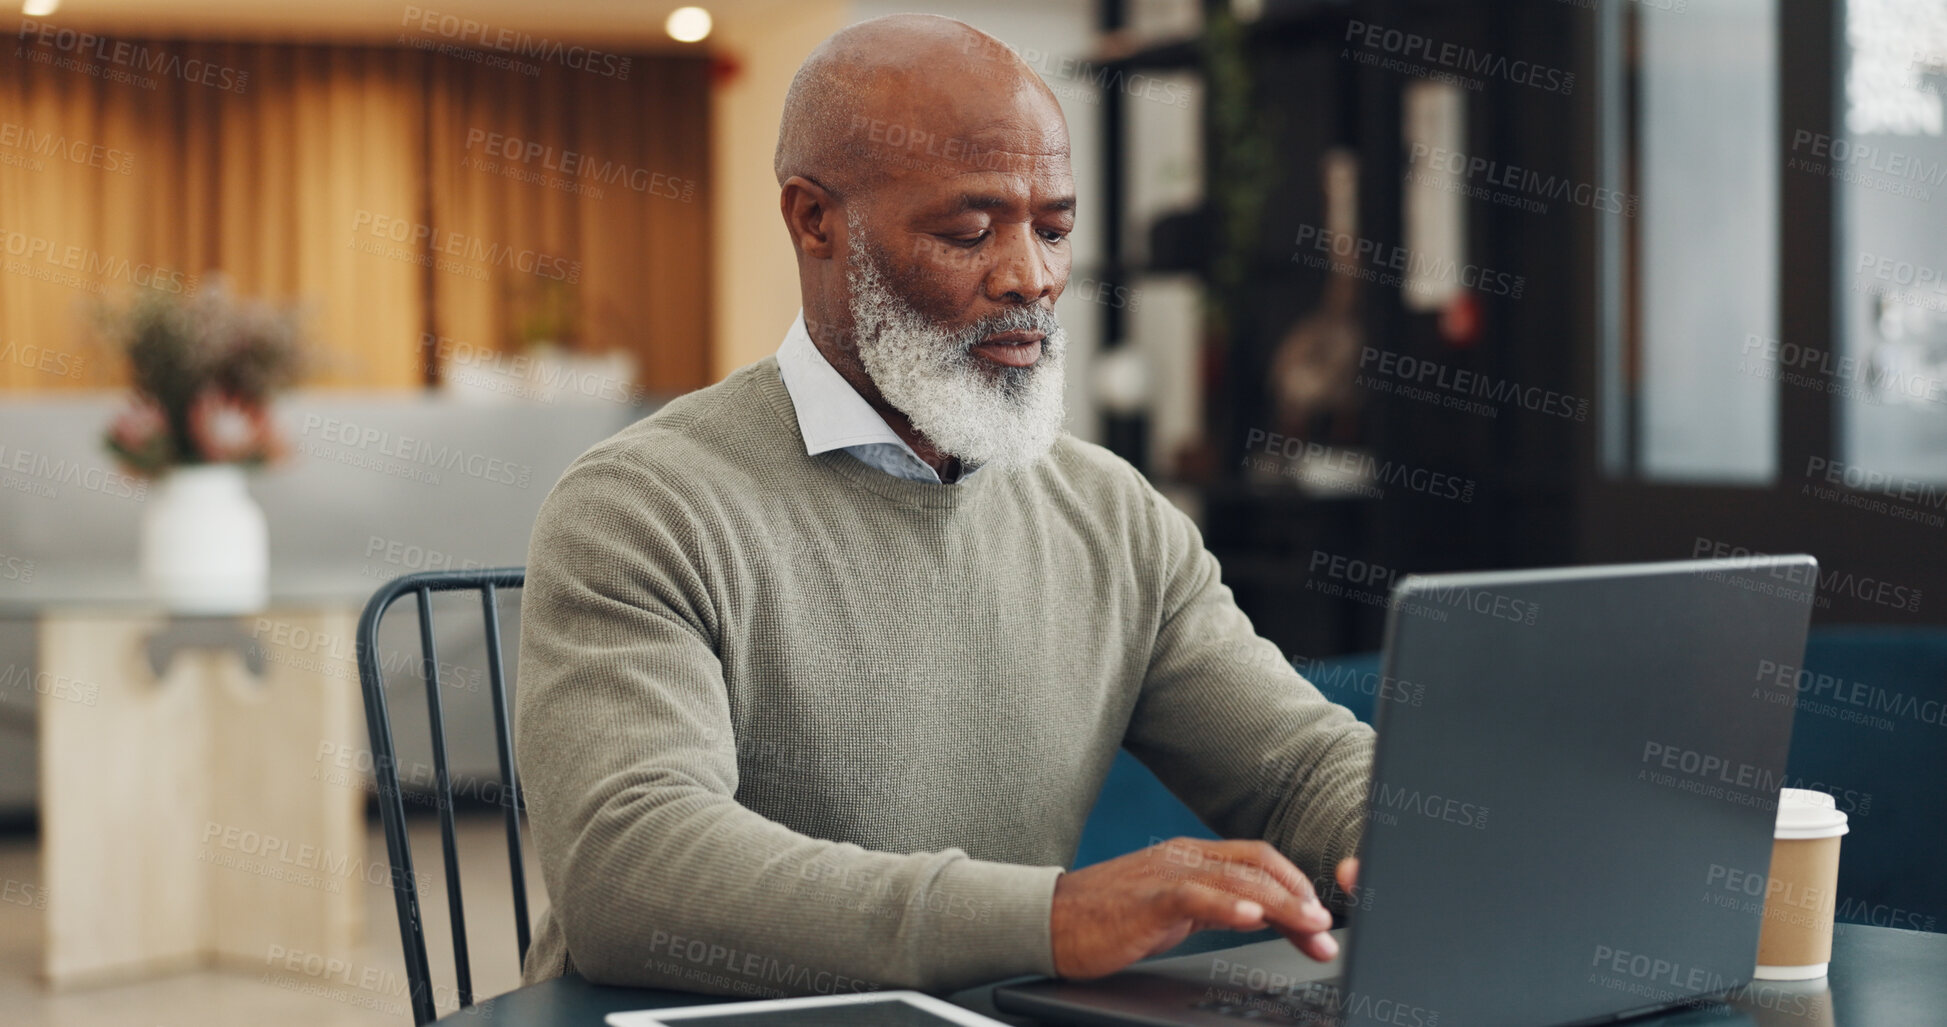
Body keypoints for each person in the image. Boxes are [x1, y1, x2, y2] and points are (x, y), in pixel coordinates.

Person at [516, 12, 1371, 998]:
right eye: (970, 230)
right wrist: (1050, 918)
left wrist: (1409, 831)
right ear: (813, 220)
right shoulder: (641, 507)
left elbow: (1302, 768)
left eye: (1053, 228)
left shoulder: (1112, 515)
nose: (1032, 278)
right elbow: (631, 872)